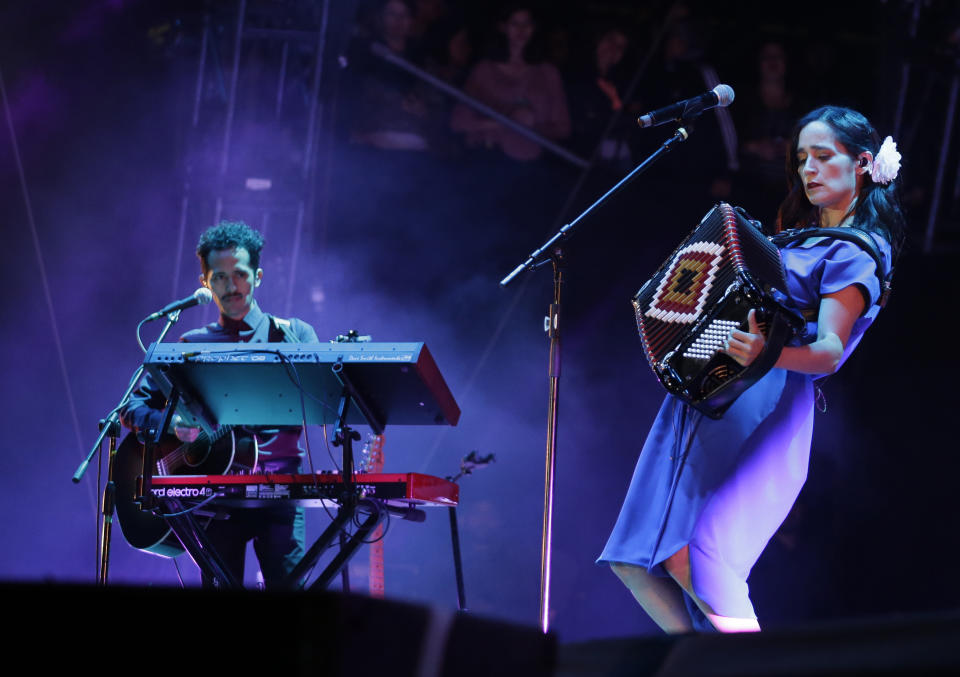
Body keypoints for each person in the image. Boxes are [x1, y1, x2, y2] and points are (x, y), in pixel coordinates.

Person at [598, 106, 905, 633]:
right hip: (707, 395)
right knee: (637, 560)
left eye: (822, 157)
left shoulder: (858, 251)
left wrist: (762, 354)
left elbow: (829, 351)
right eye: (801, 158)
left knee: (698, 561)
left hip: (765, 400)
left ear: (860, 164)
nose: (808, 169)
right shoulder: (794, 239)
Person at [120, 220, 320, 589]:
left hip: (279, 493)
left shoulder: (293, 335)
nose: (232, 286)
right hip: (213, 502)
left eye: (240, 274)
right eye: (220, 277)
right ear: (206, 283)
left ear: (257, 276)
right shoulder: (190, 344)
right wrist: (171, 426)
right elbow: (130, 407)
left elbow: (319, 399)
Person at [449, 5, 570, 162]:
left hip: (533, 163)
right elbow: (459, 121)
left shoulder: (548, 73)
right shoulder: (485, 70)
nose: (521, 30)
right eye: (515, 23)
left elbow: (563, 128)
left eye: (527, 24)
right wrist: (504, 122)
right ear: (503, 27)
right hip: (488, 158)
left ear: (534, 28)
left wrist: (531, 127)